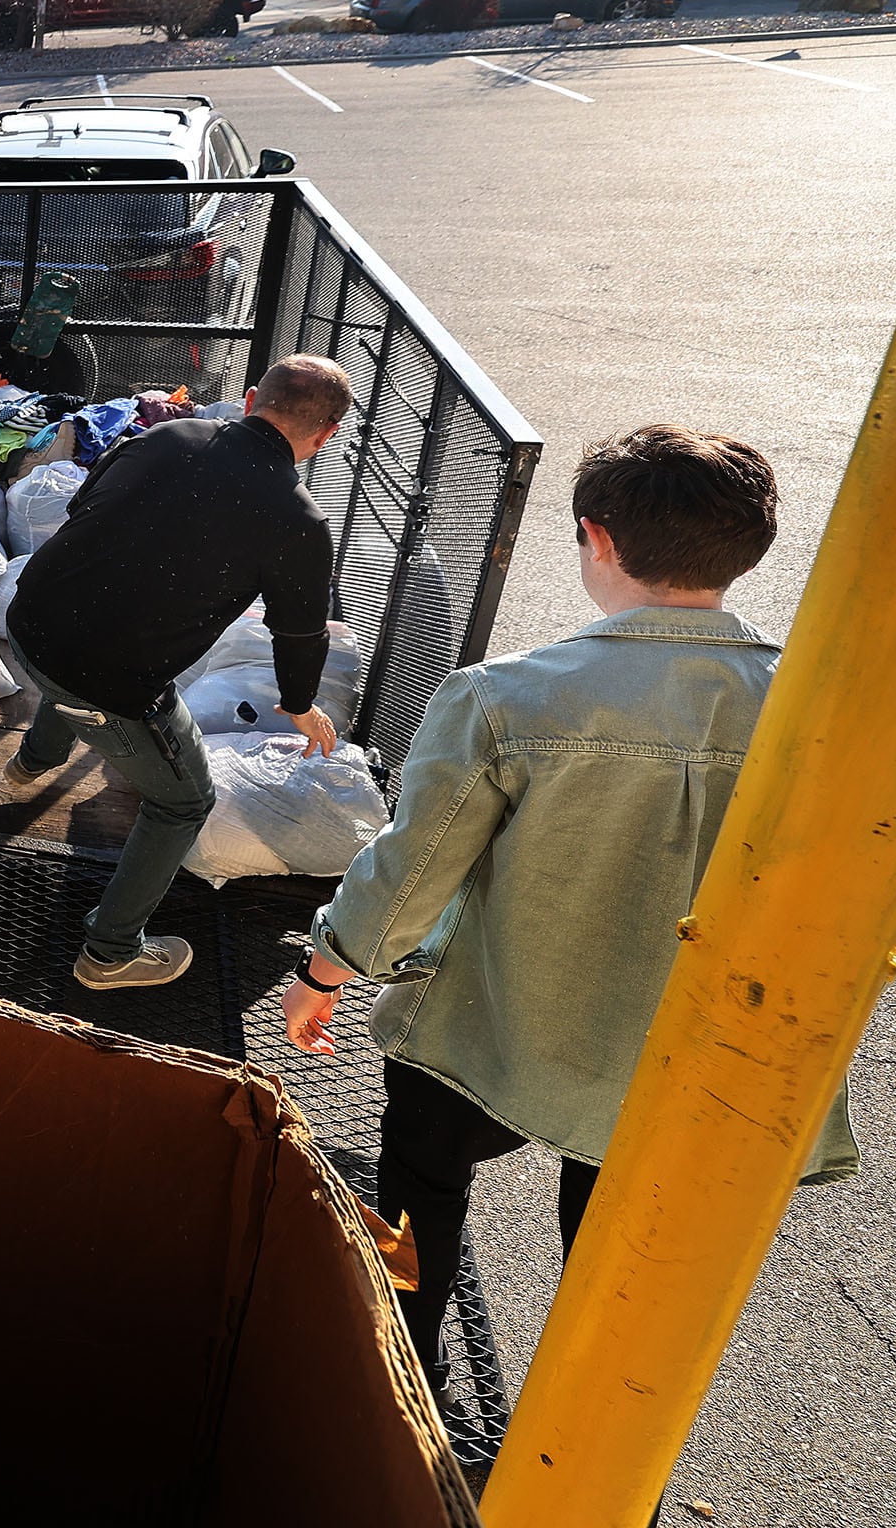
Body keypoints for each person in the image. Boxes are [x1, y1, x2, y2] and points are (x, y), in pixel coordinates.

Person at [280, 425, 856, 1401]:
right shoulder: (816, 707)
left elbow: (413, 870)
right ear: (749, 548)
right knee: (618, 1255)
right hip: (682, 1053)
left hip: (494, 1022)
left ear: (595, 536)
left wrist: (326, 967)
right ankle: (587, 1437)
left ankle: (400, 1381)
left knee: (423, 1178)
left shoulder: (508, 697)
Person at [0, 355, 351, 989]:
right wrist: (299, 703)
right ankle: (110, 953)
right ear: (325, 435)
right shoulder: (299, 520)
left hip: (25, 626)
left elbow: (84, 507)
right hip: (101, 680)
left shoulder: (163, 436)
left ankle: (30, 764)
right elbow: (299, 631)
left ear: (249, 400)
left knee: (89, 637)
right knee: (184, 800)